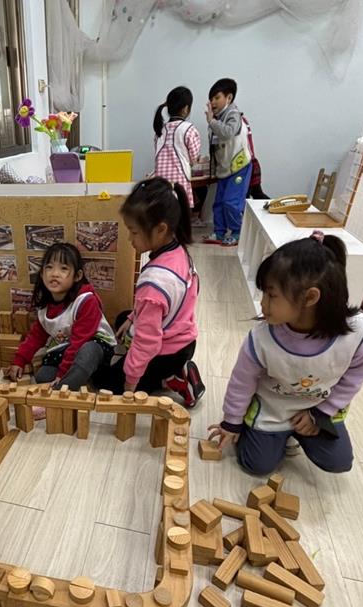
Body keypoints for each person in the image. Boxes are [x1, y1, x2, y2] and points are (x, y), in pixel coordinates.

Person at [208, 232, 363, 475]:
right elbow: (241, 381)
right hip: (272, 408)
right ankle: (265, 434)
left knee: (339, 462)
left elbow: (355, 377)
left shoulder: (358, 333)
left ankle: (293, 435)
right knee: (256, 465)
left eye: (271, 295)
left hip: (319, 408)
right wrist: (232, 423)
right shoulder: (262, 338)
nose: (263, 304)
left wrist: (320, 414)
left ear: (310, 297)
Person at [94, 177, 205, 406]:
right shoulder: (178, 251)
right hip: (185, 340)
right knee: (122, 318)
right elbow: (172, 302)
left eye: (134, 232)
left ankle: (173, 379)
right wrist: (133, 317)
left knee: (103, 380)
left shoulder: (154, 281)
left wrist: (130, 384)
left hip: (167, 353)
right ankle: (171, 370)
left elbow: (147, 343)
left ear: (161, 229)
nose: (129, 239)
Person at [6, 242, 116, 390]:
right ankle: (78, 379)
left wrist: (62, 374)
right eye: (49, 267)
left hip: (95, 346)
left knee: (87, 351)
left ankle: (63, 391)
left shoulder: (86, 300)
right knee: (42, 377)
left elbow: (79, 341)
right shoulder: (45, 306)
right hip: (66, 347)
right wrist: (19, 361)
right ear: (42, 274)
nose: (54, 274)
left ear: (77, 276)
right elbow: (36, 337)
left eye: (63, 269)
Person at [203, 78, 252, 247]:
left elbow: (228, 133)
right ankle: (219, 232)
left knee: (231, 202)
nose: (213, 102)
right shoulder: (217, 118)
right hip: (224, 169)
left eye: (217, 97)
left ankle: (237, 233)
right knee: (218, 203)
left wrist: (212, 121)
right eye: (211, 99)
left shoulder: (233, 114)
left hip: (239, 167)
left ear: (229, 98)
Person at [153, 86, 202, 208]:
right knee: (181, 217)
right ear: (186, 109)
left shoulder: (160, 131)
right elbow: (194, 159)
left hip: (160, 186)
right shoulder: (189, 129)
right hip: (179, 184)